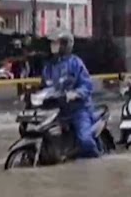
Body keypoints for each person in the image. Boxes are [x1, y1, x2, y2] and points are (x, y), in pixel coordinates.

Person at [41, 29, 99, 159]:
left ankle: (96, 160)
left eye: (56, 43)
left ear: (65, 45)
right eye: (52, 43)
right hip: (57, 111)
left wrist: (75, 94)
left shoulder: (76, 63)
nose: (53, 46)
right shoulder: (48, 67)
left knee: (84, 140)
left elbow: (87, 86)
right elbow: (44, 88)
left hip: (79, 110)